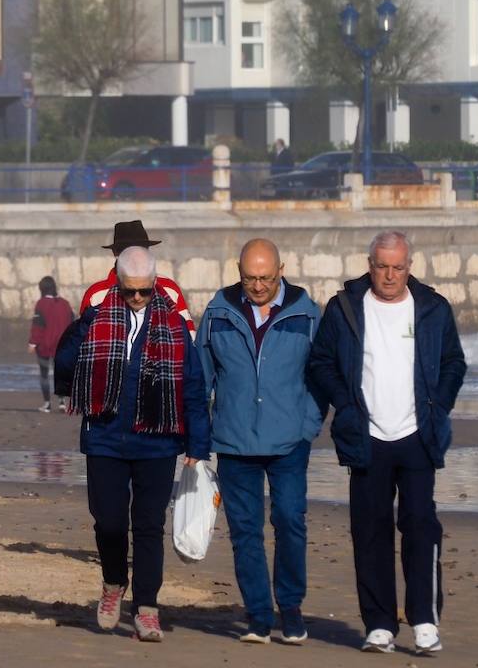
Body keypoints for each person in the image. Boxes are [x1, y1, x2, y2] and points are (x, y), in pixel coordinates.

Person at [308, 230, 466, 655]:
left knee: (421, 526)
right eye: (382, 266)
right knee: (370, 530)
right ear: (370, 264)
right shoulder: (344, 308)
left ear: (409, 267)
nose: (390, 275)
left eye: (398, 267)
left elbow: (454, 362)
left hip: (418, 435)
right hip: (366, 435)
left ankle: (425, 620)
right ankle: (379, 625)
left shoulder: (432, 307)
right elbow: (321, 362)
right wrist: (344, 403)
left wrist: (438, 405)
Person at [55, 246, 211, 642]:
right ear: (119, 284)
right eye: (130, 292)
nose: (137, 298)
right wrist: (82, 326)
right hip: (105, 436)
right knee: (108, 521)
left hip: (157, 441)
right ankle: (112, 583)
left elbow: (192, 385)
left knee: (147, 526)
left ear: (154, 285)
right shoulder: (96, 315)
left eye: (144, 291)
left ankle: (146, 607)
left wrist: (198, 443)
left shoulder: (174, 326)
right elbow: (64, 364)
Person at [197, 238, 323, 645]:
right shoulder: (218, 313)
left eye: (266, 278)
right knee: (245, 531)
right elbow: (201, 379)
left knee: (289, 521)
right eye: (250, 278)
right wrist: (198, 438)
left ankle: (290, 607)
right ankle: (257, 615)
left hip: (289, 441)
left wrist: (308, 426)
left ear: (281, 270)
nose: (257, 286)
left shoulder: (306, 313)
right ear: (238, 272)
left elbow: (321, 377)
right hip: (233, 441)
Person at [79, 220, 194, 335]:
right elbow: (82, 338)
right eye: (127, 251)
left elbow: (189, 336)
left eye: (140, 250)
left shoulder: (169, 289)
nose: (134, 256)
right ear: (116, 253)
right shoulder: (96, 294)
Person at [28, 276, 75, 413]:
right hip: (62, 345)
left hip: (44, 345)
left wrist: (32, 342)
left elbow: (38, 326)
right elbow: (72, 322)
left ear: (42, 289)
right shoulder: (65, 304)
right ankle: (61, 402)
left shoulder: (41, 304)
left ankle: (47, 403)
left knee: (44, 374)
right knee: (59, 373)